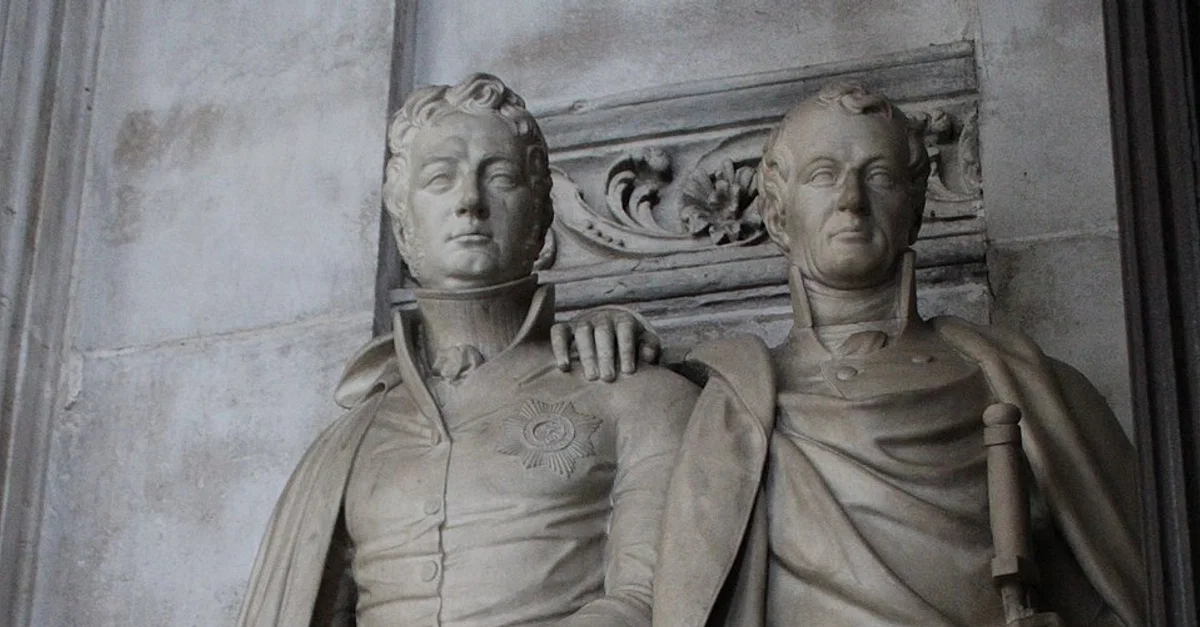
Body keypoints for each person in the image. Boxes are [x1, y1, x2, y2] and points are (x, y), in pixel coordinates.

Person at [652, 83, 1144, 627]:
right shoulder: (735, 399)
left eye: (879, 176)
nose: (851, 200)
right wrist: (603, 334)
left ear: (914, 212)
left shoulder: (1031, 386)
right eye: (822, 174)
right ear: (776, 215)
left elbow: (1132, 598)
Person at [237, 74, 698, 627]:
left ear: (540, 214)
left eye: (499, 177)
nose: (470, 202)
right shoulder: (350, 443)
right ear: (403, 222)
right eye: (440, 178)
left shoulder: (639, 397)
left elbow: (657, 603)